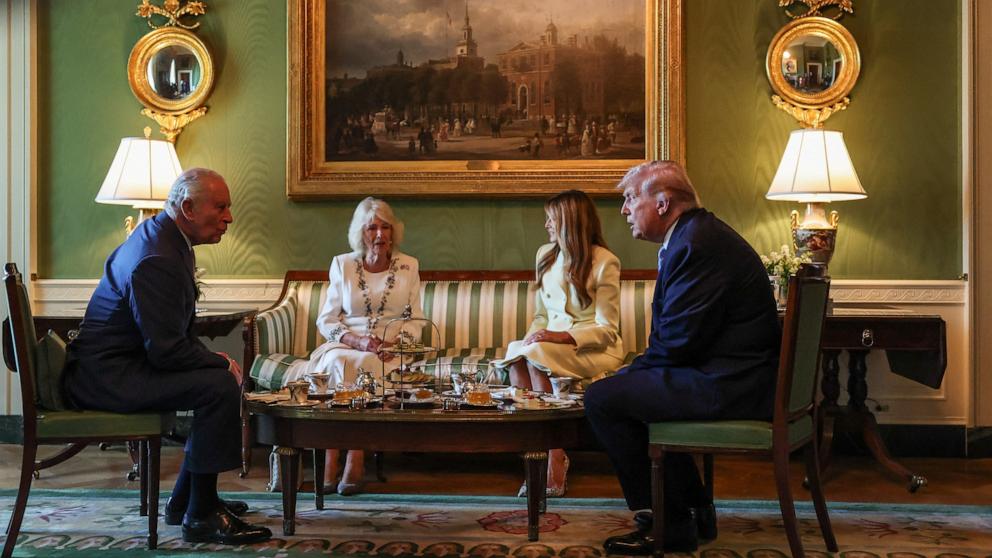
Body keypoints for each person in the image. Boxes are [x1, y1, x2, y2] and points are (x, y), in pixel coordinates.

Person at [64, 168, 271, 545]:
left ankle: (186, 503)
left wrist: (216, 360)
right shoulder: (158, 256)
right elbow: (166, 351)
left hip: (116, 369)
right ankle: (202, 515)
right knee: (218, 386)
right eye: (220, 207)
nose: (229, 217)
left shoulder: (160, 238)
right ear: (188, 207)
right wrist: (221, 362)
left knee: (218, 380)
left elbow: (168, 339)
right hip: (108, 379)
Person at [584, 161, 780, 554]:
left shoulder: (696, 244)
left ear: (661, 202)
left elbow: (677, 341)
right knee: (626, 390)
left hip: (730, 385)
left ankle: (670, 522)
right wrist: (636, 372)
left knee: (603, 398)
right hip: (730, 375)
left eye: (629, 198)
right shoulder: (696, 236)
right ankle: (692, 508)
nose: (624, 210)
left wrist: (630, 372)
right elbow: (685, 337)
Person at [284, 197, 424, 495]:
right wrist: (357, 340)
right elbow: (326, 320)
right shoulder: (343, 264)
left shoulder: (409, 266)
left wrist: (398, 344)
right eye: (371, 227)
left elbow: (416, 320)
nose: (379, 235)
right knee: (340, 363)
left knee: (372, 364)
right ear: (360, 232)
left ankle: (355, 455)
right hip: (347, 343)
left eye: (385, 227)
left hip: (389, 349)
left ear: (393, 231)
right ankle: (333, 451)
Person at [498, 190, 624, 497]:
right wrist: (533, 335)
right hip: (548, 348)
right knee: (519, 353)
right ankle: (540, 452)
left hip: (594, 350)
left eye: (551, 219)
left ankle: (553, 457)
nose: (546, 225)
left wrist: (561, 337)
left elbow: (608, 329)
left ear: (570, 221)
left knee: (536, 353)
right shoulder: (545, 255)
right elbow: (542, 315)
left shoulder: (605, 262)